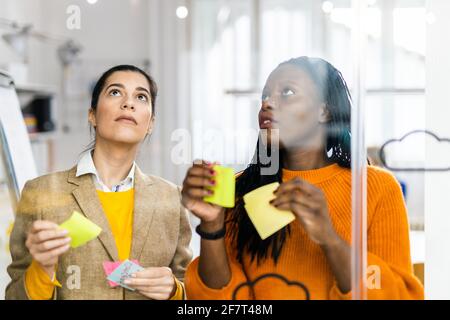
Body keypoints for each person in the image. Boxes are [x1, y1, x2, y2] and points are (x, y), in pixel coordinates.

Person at [182, 57, 424, 300]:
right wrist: (212, 228)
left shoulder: (376, 188)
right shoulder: (238, 190)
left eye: (287, 92)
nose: (267, 104)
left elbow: (398, 295)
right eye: (265, 96)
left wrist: (329, 238)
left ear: (324, 111)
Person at [6, 65, 192, 300]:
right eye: (115, 92)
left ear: (151, 123)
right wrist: (41, 269)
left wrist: (176, 291)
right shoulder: (40, 192)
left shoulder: (172, 199)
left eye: (141, 96)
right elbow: (14, 296)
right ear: (92, 114)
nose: (128, 103)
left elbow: (190, 291)